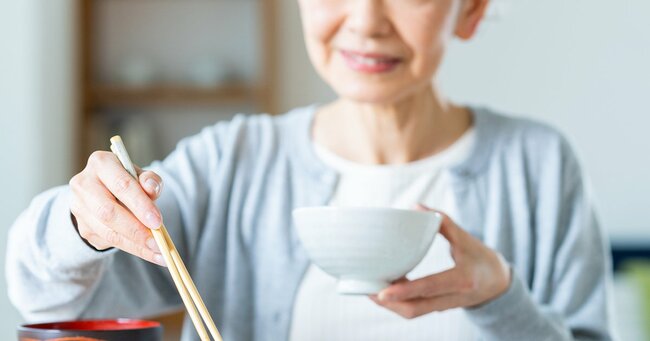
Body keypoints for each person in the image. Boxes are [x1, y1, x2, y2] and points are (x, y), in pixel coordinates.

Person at [6, 0, 615, 340]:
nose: (366, 20)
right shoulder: (233, 164)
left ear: (472, 10)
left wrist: (501, 295)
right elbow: (40, 294)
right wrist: (80, 223)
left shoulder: (538, 168)